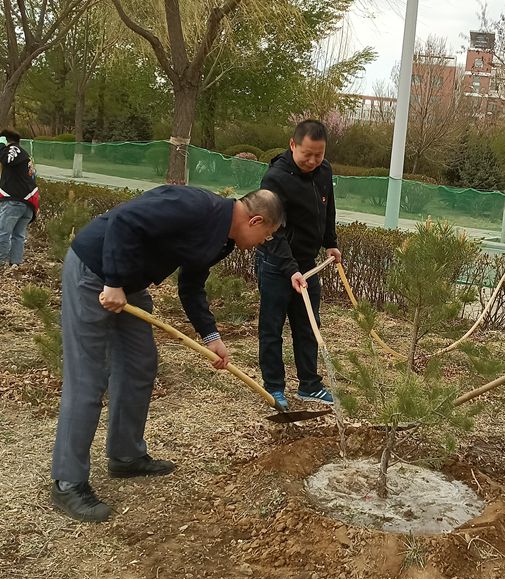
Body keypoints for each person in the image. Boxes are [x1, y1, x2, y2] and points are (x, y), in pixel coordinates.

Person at [51, 185, 283, 523]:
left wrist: (211, 335)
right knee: (88, 377)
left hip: (128, 284)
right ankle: (68, 481)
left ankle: (126, 456)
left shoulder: (222, 239)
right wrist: (112, 282)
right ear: (256, 220)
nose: (264, 242)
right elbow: (124, 220)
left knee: (140, 364)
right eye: (267, 235)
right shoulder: (195, 206)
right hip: (94, 271)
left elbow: (191, 284)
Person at [255, 120, 340, 410]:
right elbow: (273, 232)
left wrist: (330, 242)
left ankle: (309, 385)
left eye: (319, 154)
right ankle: (274, 387)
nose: (313, 161)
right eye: (307, 154)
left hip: (306, 263)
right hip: (275, 262)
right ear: (293, 145)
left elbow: (328, 208)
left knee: (308, 325)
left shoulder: (324, 170)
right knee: (272, 327)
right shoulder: (275, 179)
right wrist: (290, 269)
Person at [0, 129, 39, 269]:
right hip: (28, 202)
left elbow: (7, 159)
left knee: (3, 232)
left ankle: (1, 263)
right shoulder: (25, 155)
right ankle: (15, 263)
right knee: (18, 235)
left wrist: (1, 146)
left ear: (6, 140)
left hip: (15, 201)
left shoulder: (13, 150)